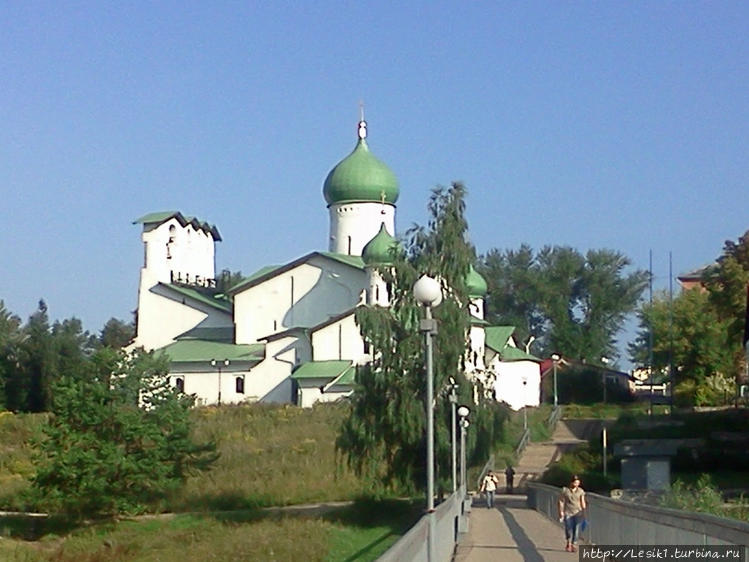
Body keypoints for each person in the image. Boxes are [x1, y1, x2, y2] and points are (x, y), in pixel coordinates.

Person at [558, 474, 586, 552]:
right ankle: (568, 542)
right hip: (568, 512)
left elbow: (582, 502)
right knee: (568, 528)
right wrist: (561, 511)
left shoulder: (580, 491)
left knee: (576, 529)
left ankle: (574, 544)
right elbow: (561, 501)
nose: (576, 484)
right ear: (571, 482)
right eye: (575, 482)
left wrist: (584, 512)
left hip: (578, 512)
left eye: (578, 482)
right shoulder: (565, 490)